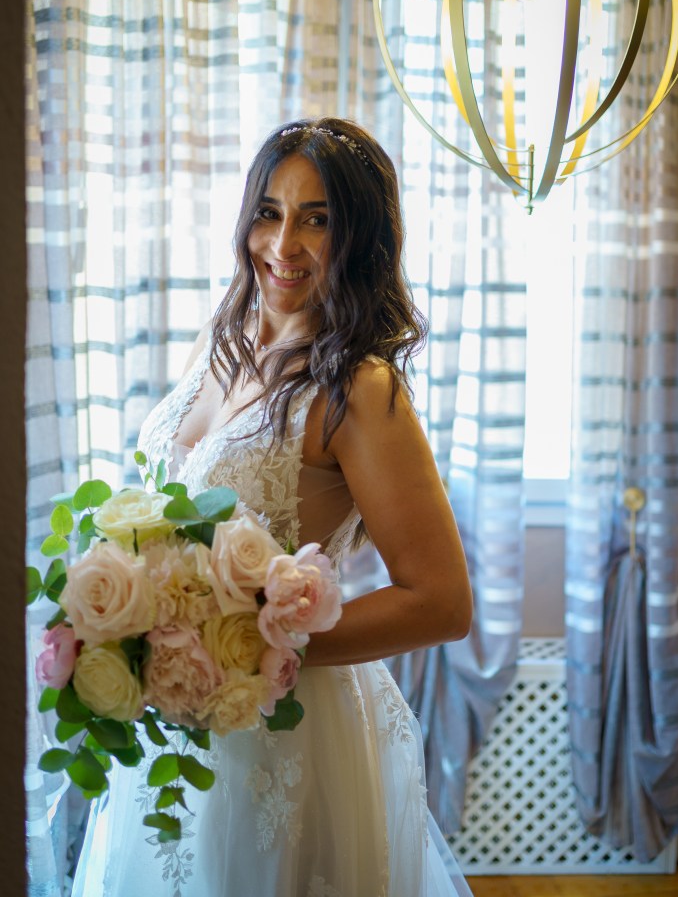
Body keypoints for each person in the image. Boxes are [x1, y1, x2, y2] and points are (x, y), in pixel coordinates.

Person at [72, 117, 473, 896]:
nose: (283, 243)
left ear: (361, 237)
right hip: (174, 722)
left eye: (316, 219)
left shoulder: (360, 389)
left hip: (285, 734)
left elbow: (442, 601)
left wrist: (244, 654)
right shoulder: (220, 339)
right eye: (269, 211)